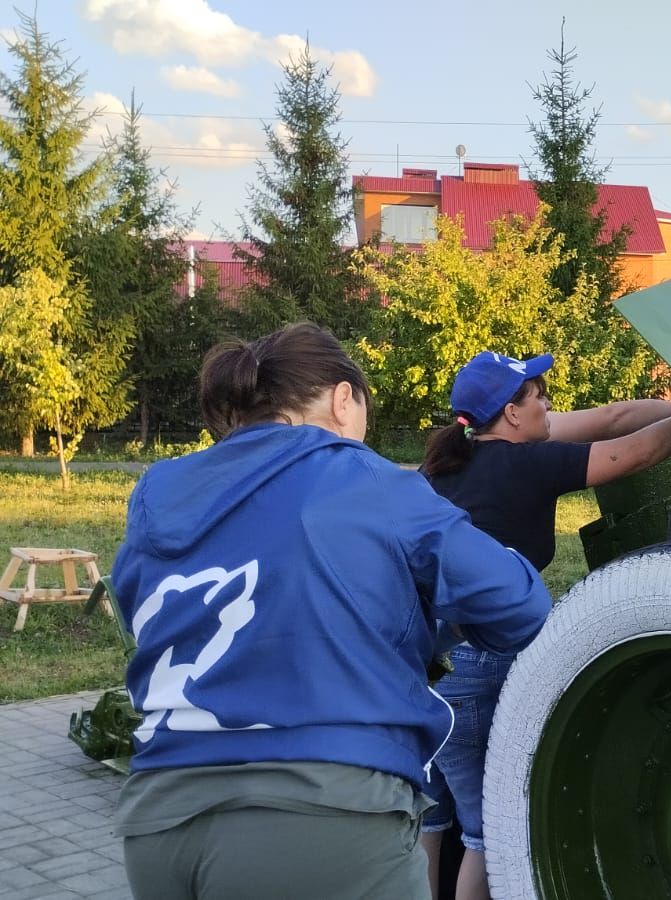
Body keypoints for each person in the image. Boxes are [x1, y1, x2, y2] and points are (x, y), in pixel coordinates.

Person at [111, 324, 552, 900]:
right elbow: (518, 603)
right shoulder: (363, 475)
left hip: (159, 816)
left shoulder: (160, 488)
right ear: (344, 400)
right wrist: (430, 621)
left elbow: (138, 607)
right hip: (323, 813)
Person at [416, 350, 671, 900]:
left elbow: (613, 419)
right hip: (484, 660)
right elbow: (634, 453)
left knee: (432, 821)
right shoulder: (530, 464)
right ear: (510, 413)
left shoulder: (444, 466)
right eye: (538, 395)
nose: (548, 402)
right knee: (485, 833)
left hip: (427, 661)